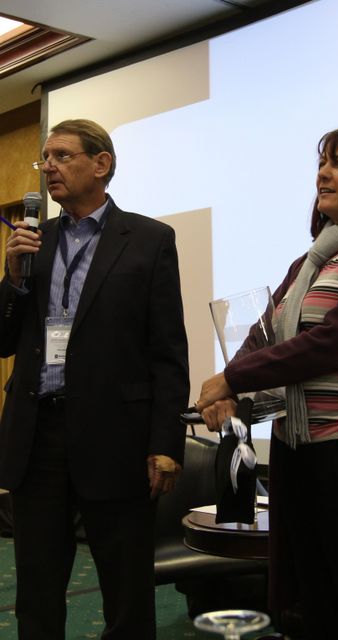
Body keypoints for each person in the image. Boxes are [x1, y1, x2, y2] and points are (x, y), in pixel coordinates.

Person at [196, 125, 338, 640]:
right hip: (295, 450)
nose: (324, 174)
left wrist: (233, 377)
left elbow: (335, 341)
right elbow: (265, 335)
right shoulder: (309, 262)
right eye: (322, 163)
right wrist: (230, 391)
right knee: (309, 597)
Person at [0, 119, 189, 639]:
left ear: (101, 163)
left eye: (62, 156)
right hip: (38, 435)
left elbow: (168, 351)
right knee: (36, 591)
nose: (49, 168)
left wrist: (166, 442)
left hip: (116, 437)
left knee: (126, 592)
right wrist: (13, 279)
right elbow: (3, 340)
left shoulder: (149, 240)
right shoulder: (35, 240)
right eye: (45, 159)